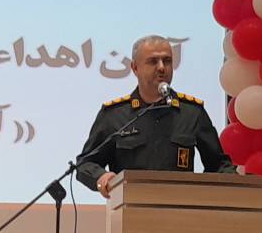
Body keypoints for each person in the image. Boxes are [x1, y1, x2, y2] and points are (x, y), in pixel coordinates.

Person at [75, 36, 233, 196]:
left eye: (167, 61)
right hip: (130, 207)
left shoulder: (192, 112)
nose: (162, 67)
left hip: (180, 207)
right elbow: (85, 163)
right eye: (153, 61)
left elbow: (219, 165)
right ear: (135, 68)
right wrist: (102, 177)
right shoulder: (114, 115)